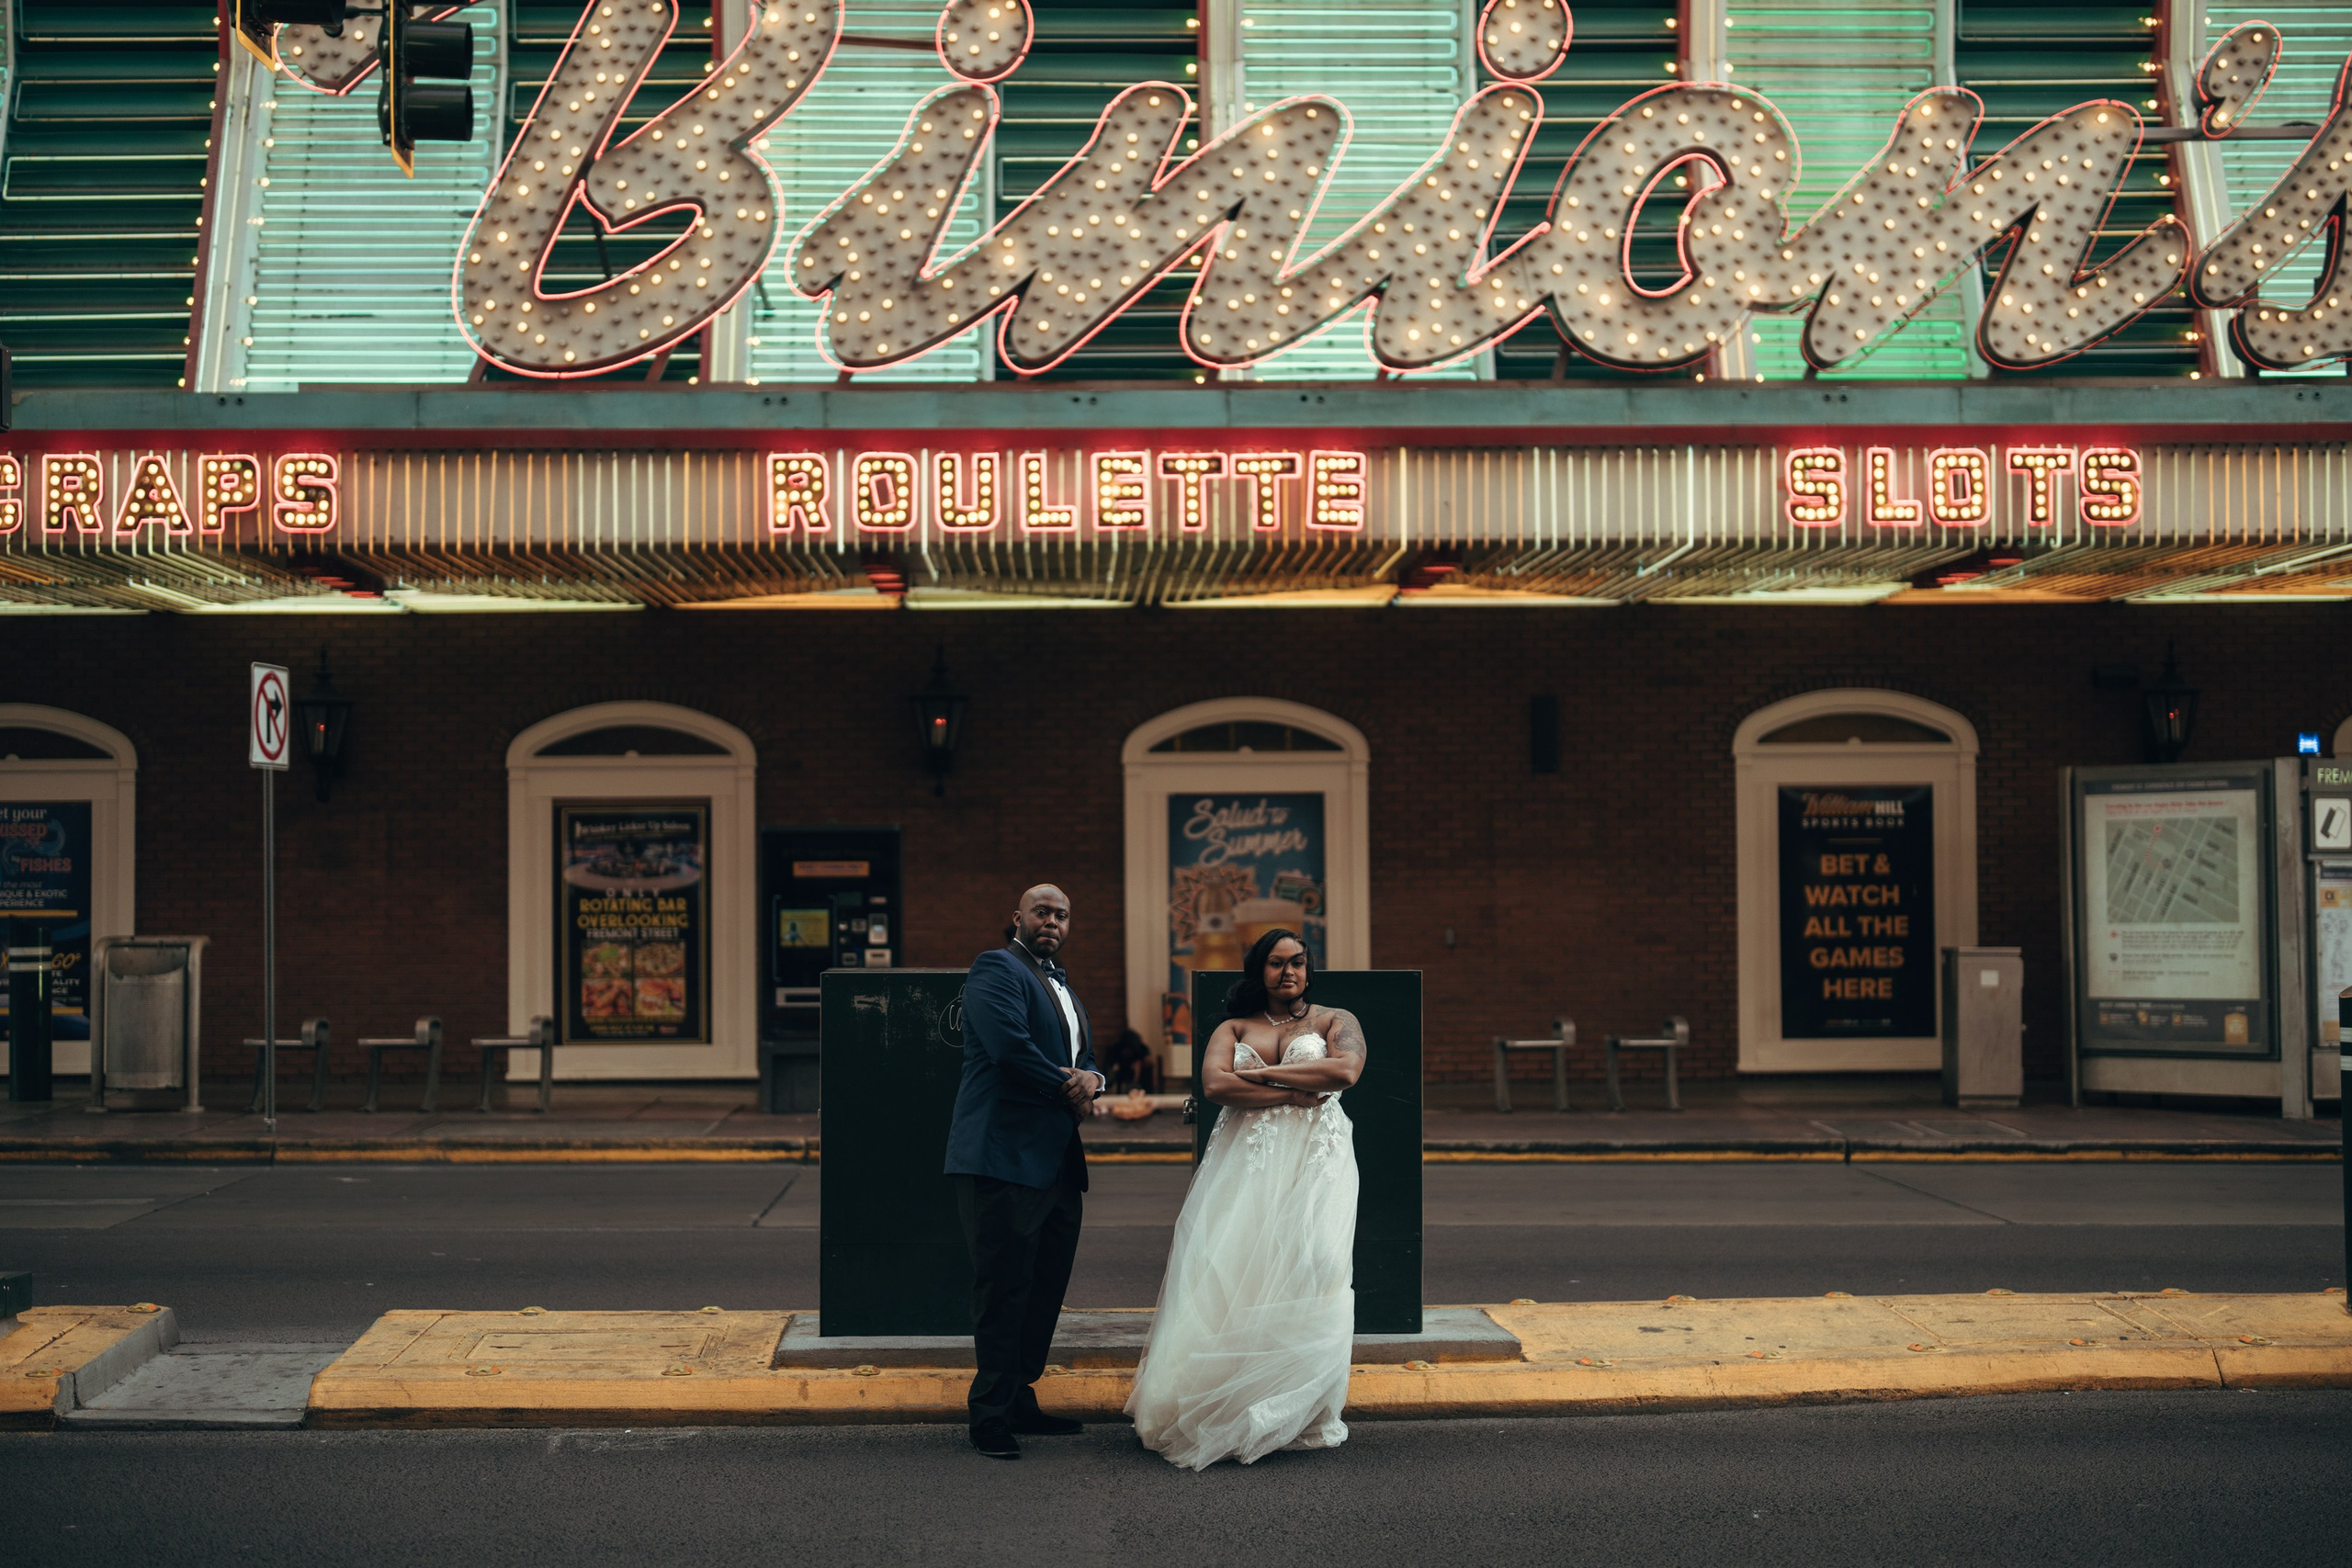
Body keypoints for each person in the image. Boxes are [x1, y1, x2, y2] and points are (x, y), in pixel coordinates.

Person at [1125, 928, 1365, 1469]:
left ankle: (1299, 1408)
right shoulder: (1233, 1026)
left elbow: (1345, 1071)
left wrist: (1265, 1075)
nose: (1289, 972)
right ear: (1259, 970)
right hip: (1246, 1161)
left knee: (1314, 1265)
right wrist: (1297, 1085)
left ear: (1309, 968)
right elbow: (1215, 1085)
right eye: (1277, 963)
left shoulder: (1336, 1020)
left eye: (1298, 963)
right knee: (1236, 1267)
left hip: (1316, 1160)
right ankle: (1231, 1401)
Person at [943, 883, 1105, 1460]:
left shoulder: (1062, 983)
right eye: (1042, 911)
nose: (1052, 921)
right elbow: (1010, 1048)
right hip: (1001, 1157)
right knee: (1004, 1286)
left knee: (1044, 1287)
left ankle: (1018, 1395)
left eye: (1062, 914)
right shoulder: (996, 969)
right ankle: (988, 1413)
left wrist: (1095, 1078)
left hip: (1057, 1163)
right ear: (1018, 917)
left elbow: (1083, 1054)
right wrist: (1072, 1087)